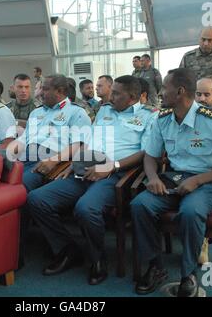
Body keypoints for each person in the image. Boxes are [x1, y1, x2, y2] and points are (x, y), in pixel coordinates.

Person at [27, 75, 158, 285]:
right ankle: (68, 250)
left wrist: (111, 167)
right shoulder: (105, 110)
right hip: (85, 169)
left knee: (86, 208)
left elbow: (146, 152)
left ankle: (98, 260)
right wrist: (73, 164)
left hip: (116, 174)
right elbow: (89, 141)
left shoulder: (149, 116)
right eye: (111, 91)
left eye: (116, 93)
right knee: (37, 199)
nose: (110, 95)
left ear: (132, 97)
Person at [130, 68, 212, 297]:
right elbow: (150, 156)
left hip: (206, 183)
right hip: (171, 180)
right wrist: (152, 178)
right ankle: (156, 266)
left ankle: (188, 273)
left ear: (180, 91)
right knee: (140, 205)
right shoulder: (162, 120)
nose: (160, 93)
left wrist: (198, 180)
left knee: (191, 212)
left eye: (164, 88)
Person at [6, 74, 91, 267]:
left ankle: (15, 251)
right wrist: (7, 154)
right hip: (25, 157)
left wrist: (54, 159)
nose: (40, 92)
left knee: (16, 191)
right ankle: (11, 245)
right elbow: (24, 139)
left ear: (60, 92)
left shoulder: (76, 113)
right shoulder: (37, 113)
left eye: (44, 89)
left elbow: (79, 144)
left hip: (51, 161)